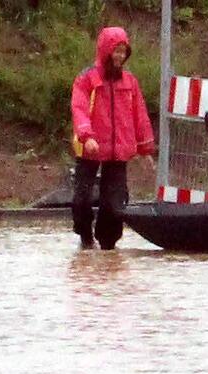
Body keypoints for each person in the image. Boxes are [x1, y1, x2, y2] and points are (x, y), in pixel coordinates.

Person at [70, 26, 155, 250]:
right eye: (116, 51)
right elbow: (78, 108)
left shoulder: (130, 82)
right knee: (82, 199)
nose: (119, 56)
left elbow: (140, 115)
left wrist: (145, 149)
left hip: (118, 150)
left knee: (115, 205)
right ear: (105, 51)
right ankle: (85, 237)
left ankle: (108, 247)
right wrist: (86, 135)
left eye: (123, 51)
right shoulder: (86, 78)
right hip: (90, 147)